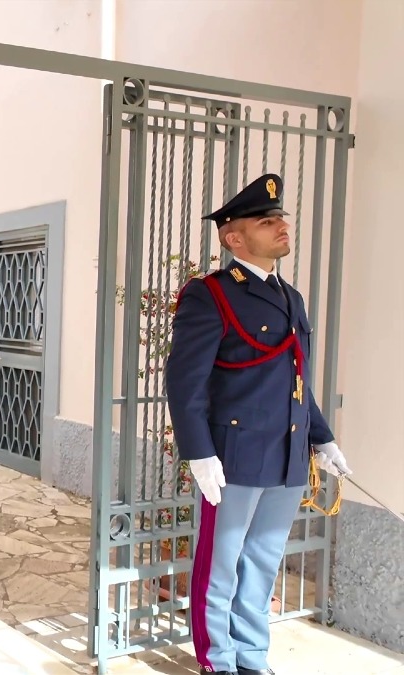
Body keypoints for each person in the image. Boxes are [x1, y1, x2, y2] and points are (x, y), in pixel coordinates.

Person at [166, 173, 353, 675]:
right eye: (267, 221)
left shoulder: (291, 297)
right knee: (221, 562)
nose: (281, 226)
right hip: (234, 453)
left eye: (281, 219)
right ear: (234, 237)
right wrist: (199, 452)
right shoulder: (210, 294)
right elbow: (184, 381)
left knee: (263, 561)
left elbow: (295, 379)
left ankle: (251, 656)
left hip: (287, 453)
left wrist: (322, 438)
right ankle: (217, 660)